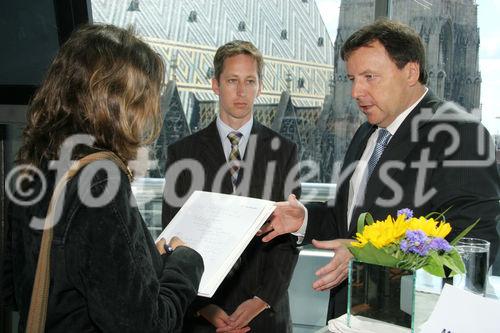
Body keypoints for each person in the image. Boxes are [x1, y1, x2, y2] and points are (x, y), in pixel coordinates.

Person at [260, 19, 500, 320]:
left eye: (369, 77)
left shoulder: (460, 133)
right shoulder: (366, 133)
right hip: (347, 315)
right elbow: (348, 224)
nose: (356, 92)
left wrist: (369, 255)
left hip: (410, 319)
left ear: (410, 71)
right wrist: (304, 218)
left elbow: (472, 247)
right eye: (351, 79)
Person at [2, 24, 204, 332]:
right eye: (143, 99)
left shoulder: (32, 162)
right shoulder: (100, 180)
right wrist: (186, 262)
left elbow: (14, 289)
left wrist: (147, 260)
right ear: (121, 106)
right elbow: (149, 325)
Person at [162, 40, 301, 332]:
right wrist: (203, 306)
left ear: (260, 87)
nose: (241, 92)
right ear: (215, 85)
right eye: (232, 81)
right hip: (202, 315)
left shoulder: (284, 151)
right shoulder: (182, 154)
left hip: (265, 316)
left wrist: (261, 300)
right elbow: (173, 239)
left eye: (250, 81)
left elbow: (288, 239)